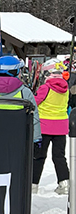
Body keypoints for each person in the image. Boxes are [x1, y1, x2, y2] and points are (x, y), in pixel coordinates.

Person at [0, 55, 41, 150]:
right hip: (17, 141)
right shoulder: (24, 92)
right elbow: (34, 116)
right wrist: (36, 138)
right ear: (16, 72)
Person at [32, 64, 69, 194]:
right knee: (59, 156)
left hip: (45, 127)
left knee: (39, 156)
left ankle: (33, 184)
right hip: (61, 127)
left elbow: (35, 102)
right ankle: (64, 183)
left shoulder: (45, 88)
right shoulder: (66, 88)